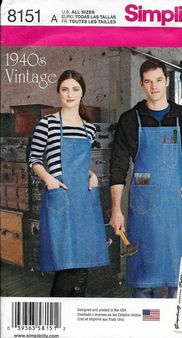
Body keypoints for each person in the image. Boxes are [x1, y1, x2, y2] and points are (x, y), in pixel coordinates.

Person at [109, 59, 182, 298]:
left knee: (177, 282)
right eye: (148, 81)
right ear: (141, 84)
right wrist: (116, 209)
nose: (154, 87)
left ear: (167, 81)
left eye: (159, 80)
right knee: (142, 284)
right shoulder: (130, 120)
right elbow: (117, 167)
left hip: (173, 215)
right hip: (142, 215)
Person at [29, 70, 110, 297]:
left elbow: (80, 163)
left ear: (82, 92)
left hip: (83, 199)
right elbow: (34, 159)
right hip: (61, 197)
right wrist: (49, 180)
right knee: (67, 265)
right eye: (65, 89)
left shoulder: (89, 128)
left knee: (82, 265)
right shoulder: (47, 124)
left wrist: (91, 174)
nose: (70, 94)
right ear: (58, 93)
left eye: (75, 89)